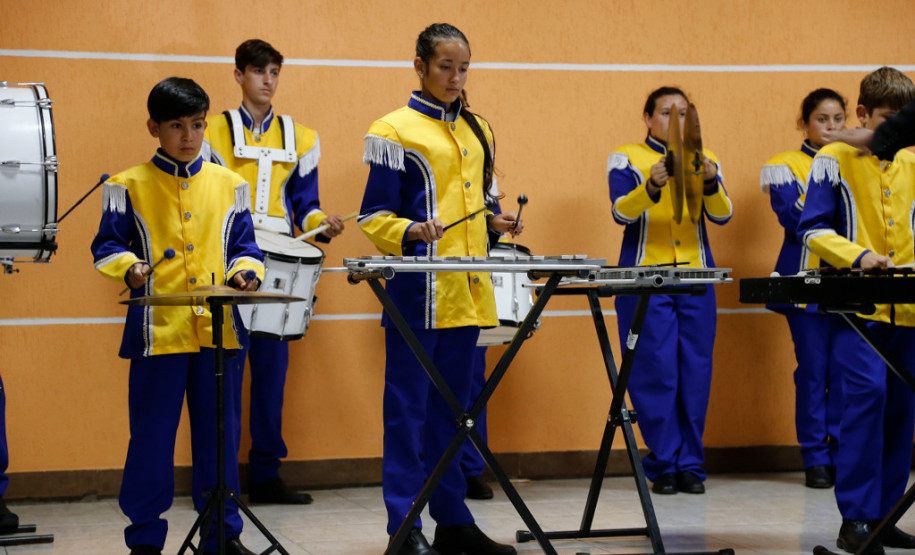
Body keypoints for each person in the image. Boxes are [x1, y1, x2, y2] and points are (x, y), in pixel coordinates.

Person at [358, 22, 521, 555]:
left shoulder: (480, 129)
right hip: (416, 295)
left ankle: (453, 521)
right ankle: (403, 528)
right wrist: (407, 230)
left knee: (456, 413)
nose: (455, 77)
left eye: (463, 68)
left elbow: (484, 201)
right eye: (445, 66)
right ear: (420, 66)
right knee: (407, 411)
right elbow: (373, 216)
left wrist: (498, 223)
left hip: (469, 294)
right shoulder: (392, 131)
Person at [90, 77, 264, 555]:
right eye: (176, 126)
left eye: (197, 125)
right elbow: (104, 248)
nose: (189, 136)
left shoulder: (231, 185)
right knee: (151, 440)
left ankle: (222, 538)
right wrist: (132, 268)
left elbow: (246, 249)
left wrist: (245, 273)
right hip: (156, 335)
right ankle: (145, 540)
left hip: (219, 332)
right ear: (154, 127)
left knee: (220, 440)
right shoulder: (127, 186)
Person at [202, 39, 344, 506]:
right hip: (230, 259)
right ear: (238, 74)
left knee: (272, 372)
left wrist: (320, 223)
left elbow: (305, 204)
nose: (268, 79)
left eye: (275, 72)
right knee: (225, 369)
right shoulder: (212, 131)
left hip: (283, 262)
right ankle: (219, 479)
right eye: (259, 70)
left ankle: (265, 475)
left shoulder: (300, 136)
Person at [798, 66, 915, 555]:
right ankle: (857, 519)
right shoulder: (832, 159)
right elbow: (812, 228)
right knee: (865, 401)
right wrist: (859, 256)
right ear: (862, 114)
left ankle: (887, 516)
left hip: (909, 308)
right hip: (857, 306)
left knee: (903, 409)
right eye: (888, 120)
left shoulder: (913, 161)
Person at [607, 86, 732, 495]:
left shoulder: (705, 160)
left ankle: (692, 466)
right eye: (665, 112)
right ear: (647, 118)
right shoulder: (626, 157)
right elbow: (621, 212)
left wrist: (711, 181)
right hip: (645, 277)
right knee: (654, 371)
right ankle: (664, 463)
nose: (675, 121)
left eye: (683, 113)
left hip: (696, 279)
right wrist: (652, 185)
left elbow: (723, 214)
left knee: (695, 372)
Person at [760, 88, 847, 489]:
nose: (831, 127)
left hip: (849, 280)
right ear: (804, 123)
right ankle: (816, 456)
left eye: (838, 119)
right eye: (822, 120)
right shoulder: (784, 166)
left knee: (848, 370)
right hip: (805, 279)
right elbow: (795, 220)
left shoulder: (856, 161)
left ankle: (845, 448)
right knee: (813, 370)